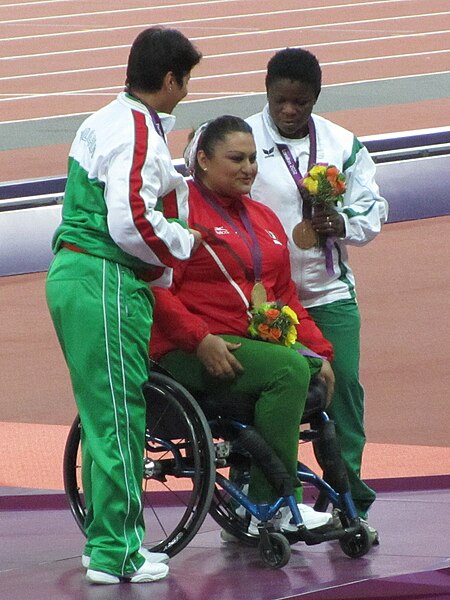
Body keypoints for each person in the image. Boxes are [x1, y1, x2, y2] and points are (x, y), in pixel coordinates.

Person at [46, 27, 202, 585]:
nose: (186, 94)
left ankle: (104, 542)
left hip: (77, 275)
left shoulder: (101, 120)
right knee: (117, 419)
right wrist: (182, 244)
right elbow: (130, 220)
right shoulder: (135, 129)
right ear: (168, 80)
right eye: (185, 83)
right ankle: (119, 554)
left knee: (101, 418)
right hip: (104, 278)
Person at [150, 115, 335, 535]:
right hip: (187, 349)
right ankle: (270, 507)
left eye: (253, 158)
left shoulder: (264, 218)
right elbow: (156, 289)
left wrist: (319, 350)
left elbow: (284, 296)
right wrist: (200, 341)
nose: (248, 168)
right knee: (288, 371)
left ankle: (286, 491)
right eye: (236, 158)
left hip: (248, 344)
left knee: (307, 367)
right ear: (202, 159)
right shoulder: (178, 210)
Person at [246, 48, 388, 535]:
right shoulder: (238, 139)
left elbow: (375, 210)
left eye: (301, 103)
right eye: (281, 100)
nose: (289, 110)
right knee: (256, 399)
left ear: (316, 99)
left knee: (343, 389)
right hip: (263, 300)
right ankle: (253, 500)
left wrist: (342, 222)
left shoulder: (342, 144)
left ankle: (352, 500)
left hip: (329, 293)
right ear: (266, 91)